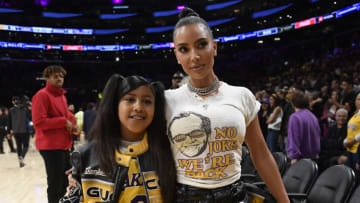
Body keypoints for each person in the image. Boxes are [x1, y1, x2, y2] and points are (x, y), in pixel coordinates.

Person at [165, 7, 289, 202]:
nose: (194, 56)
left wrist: (285, 201)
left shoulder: (241, 96)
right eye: (184, 49)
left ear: (214, 46)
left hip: (235, 196)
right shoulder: (166, 100)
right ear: (176, 56)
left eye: (201, 44)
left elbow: (261, 155)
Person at [60, 74, 176, 203]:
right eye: (130, 99)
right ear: (115, 105)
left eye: (147, 101)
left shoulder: (169, 152)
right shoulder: (85, 155)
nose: (138, 107)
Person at [32, 65, 76, 203]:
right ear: (47, 78)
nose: (59, 78)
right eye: (55, 76)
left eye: (61, 76)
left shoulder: (61, 96)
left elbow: (66, 115)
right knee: (55, 184)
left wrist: (73, 125)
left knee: (64, 182)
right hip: (50, 146)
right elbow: (39, 122)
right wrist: (64, 121)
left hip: (63, 145)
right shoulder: (42, 95)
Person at [287, 90, 321, 164]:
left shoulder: (295, 117)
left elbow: (294, 138)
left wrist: (293, 157)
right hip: (314, 158)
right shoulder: (312, 116)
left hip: (301, 160)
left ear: (292, 103)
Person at [8, 96, 31, 167]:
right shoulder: (26, 110)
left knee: (18, 146)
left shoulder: (11, 110)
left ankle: (20, 162)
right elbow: (30, 119)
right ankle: (22, 157)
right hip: (24, 131)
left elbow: (9, 121)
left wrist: (9, 131)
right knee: (26, 146)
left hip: (15, 131)